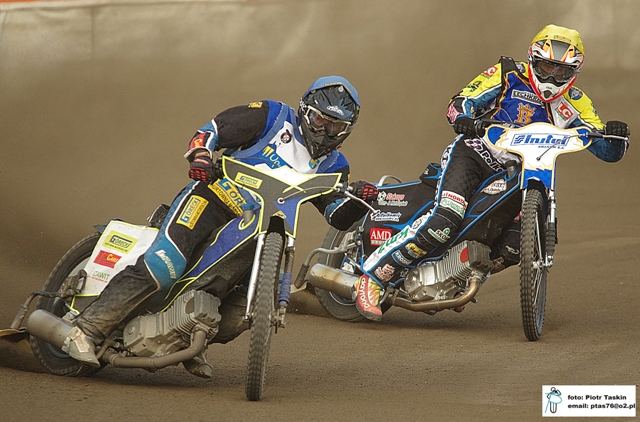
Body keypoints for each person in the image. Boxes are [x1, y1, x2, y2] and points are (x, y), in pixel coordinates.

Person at [62, 75, 379, 376]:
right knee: (165, 265)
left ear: (347, 130)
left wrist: (359, 199)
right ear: (305, 110)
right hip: (213, 198)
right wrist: (201, 155)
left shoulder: (336, 165)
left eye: (336, 125)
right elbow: (212, 130)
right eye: (320, 120)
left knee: (243, 309)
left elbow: (336, 214)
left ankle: (187, 336)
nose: (325, 130)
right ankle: (85, 330)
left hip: (260, 230)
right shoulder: (272, 116)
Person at [353, 24, 630, 321]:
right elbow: (460, 101)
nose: (551, 77)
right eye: (546, 66)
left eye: (561, 71)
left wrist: (616, 137)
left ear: (574, 72)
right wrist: (464, 118)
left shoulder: (577, 102)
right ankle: (374, 276)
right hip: (475, 154)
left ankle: (457, 275)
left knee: (514, 246)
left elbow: (605, 148)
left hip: (523, 173)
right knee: (445, 219)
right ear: (533, 59)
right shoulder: (507, 73)